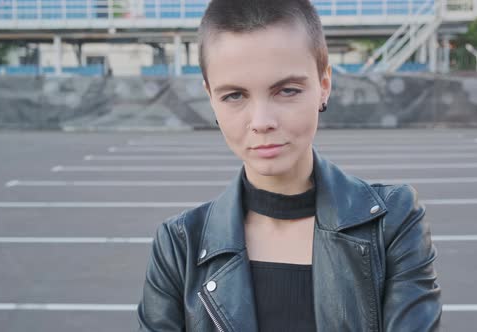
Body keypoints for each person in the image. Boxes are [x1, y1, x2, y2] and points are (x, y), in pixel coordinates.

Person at [136, 0, 442, 331]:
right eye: (234, 96)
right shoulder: (179, 245)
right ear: (211, 97)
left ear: (324, 85)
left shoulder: (392, 222)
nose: (262, 121)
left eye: (287, 90)